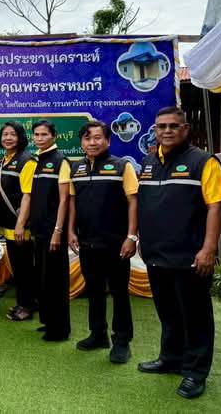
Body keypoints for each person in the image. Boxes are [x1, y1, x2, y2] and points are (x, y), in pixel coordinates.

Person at [137, 107, 221, 399]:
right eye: (161, 126)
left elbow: (216, 207)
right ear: (155, 130)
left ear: (186, 129)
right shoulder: (148, 162)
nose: (167, 131)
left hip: (190, 255)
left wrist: (208, 249)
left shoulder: (204, 162)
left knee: (195, 315)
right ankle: (171, 358)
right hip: (156, 253)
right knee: (168, 312)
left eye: (173, 126)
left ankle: (195, 372)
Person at [68, 120, 138, 364]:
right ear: (81, 142)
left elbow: (133, 202)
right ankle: (98, 335)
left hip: (116, 244)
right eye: (87, 138)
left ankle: (121, 341)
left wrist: (131, 236)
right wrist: (70, 231)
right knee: (94, 290)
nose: (92, 142)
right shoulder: (75, 168)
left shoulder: (122, 166)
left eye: (98, 138)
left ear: (107, 140)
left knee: (119, 293)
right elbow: (72, 203)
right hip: (87, 243)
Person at [27, 120, 71, 341]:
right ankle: (48, 322)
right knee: (43, 279)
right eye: (36, 134)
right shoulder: (37, 160)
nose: (39, 138)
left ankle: (59, 330)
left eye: (44, 134)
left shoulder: (61, 161)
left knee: (56, 282)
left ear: (54, 136)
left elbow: (64, 200)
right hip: (40, 231)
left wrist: (58, 231)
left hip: (54, 232)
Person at [0, 121, 38, 323]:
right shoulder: (4, 159)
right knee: (19, 268)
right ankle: (24, 302)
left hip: (21, 226)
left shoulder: (27, 161)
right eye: (5, 134)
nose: (8, 138)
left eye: (13, 134)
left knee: (25, 269)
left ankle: (28, 306)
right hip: (8, 225)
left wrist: (21, 224)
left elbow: (28, 195)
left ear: (20, 137)